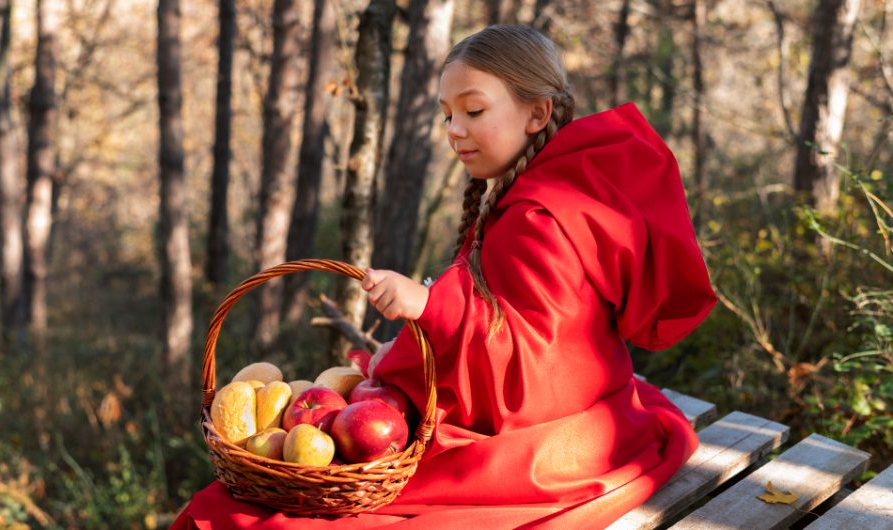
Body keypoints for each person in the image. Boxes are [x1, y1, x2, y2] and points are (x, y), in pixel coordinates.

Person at [172, 24, 716, 530]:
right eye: (446, 114)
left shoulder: (537, 217)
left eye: (474, 110)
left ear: (537, 112)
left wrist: (431, 306)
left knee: (236, 515)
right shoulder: (558, 191)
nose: (455, 131)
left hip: (543, 446)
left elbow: (531, 372)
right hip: (595, 410)